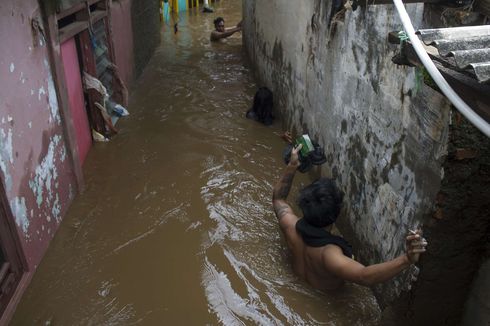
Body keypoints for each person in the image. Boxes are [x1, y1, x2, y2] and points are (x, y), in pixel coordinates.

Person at [272, 144, 428, 290]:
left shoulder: (289, 225)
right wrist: (406, 259)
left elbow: (278, 198)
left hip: (299, 285)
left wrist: (292, 165)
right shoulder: (329, 253)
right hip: (328, 302)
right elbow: (364, 276)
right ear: (335, 215)